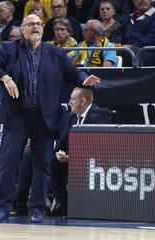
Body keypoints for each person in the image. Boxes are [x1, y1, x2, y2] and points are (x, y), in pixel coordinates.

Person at [0, 14, 100, 223]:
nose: (35, 27)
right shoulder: (9, 49)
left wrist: (84, 80)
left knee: (42, 165)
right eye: (31, 24)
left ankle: (36, 208)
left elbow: (73, 73)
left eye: (39, 24)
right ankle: (3, 208)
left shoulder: (55, 52)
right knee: (8, 163)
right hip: (17, 116)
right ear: (23, 28)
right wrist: (4, 77)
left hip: (45, 117)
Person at [48, 87, 111, 216]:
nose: (69, 102)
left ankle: (80, 207)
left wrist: (72, 157)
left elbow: (98, 147)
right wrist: (57, 152)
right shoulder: (72, 116)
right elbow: (63, 139)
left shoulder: (99, 115)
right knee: (53, 162)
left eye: (72, 100)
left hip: (91, 162)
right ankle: (65, 205)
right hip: (70, 159)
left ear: (82, 101)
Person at [119, 0, 155, 66]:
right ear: (133, 2)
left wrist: (131, 46)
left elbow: (151, 39)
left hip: (148, 53)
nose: (142, 0)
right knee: (108, 49)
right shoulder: (127, 18)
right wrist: (116, 45)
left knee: (132, 52)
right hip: (126, 50)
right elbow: (118, 34)